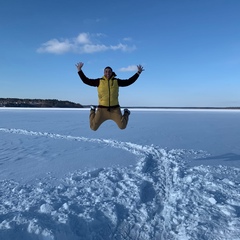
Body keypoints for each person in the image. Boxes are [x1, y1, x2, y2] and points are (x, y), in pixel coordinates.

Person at [75, 62, 144, 131]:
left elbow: (129, 81)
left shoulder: (116, 81)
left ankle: (126, 112)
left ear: (112, 72)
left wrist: (138, 73)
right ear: (104, 73)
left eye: (109, 71)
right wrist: (79, 70)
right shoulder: (99, 81)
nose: (108, 73)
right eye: (106, 71)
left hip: (115, 109)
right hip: (102, 110)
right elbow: (86, 80)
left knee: (122, 126)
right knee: (93, 127)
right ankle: (92, 110)